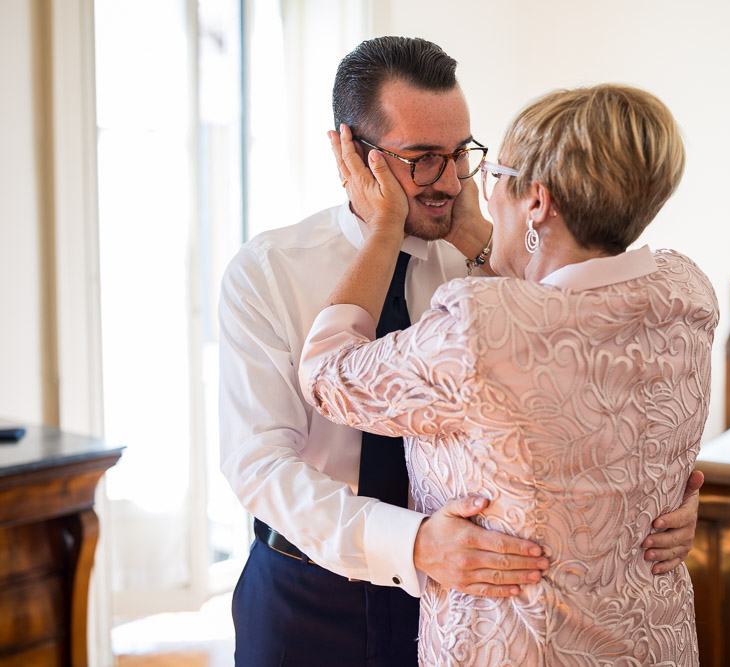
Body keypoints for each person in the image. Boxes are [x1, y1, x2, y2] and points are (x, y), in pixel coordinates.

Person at [219, 36, 701, 666]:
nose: (448, 180)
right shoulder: (269, 270)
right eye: (421, 158)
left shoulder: (497, 270)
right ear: (353, 153)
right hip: (315, 590)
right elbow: (259, 464)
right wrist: (412, 543)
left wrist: (660, 500)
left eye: (461, 154)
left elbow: (591, 388)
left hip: (477, 603)